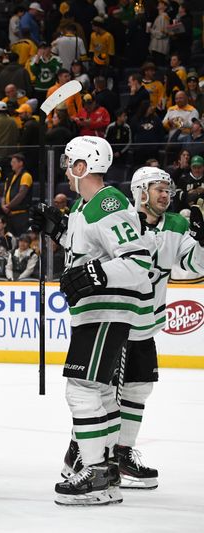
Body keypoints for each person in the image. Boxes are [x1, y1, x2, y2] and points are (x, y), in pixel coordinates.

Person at [30, 136, 152, 506]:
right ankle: (107, 469)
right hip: (97, 311)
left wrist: (93, 274)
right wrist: (57, 229)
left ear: (83, 166)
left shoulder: (108, 202)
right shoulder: (86, 208)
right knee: (98, 392)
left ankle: (96, 471)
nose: (66, 169)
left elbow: (138, 260)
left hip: (106, 309)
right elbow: (86, 246)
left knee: (80, 390)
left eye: (70, 163)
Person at [69, 167, 201, 489]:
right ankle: (81, 454)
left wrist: (202, 240)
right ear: (141, 191)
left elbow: (196, 265)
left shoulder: (176, 225)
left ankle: (122, 456)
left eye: (167, 189)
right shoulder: (123, 217)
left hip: (145, 324)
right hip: (117, 318)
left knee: (137, 389)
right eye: (158, 189)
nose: (165, 195)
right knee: (98, 390)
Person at [2, 153, 32, 235]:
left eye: (14, 162)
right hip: (9, 214)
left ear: (20, 163)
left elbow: (21, 194)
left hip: (21, 215)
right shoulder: (10, 177)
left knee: (22, 237)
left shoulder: (26, 176)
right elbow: (4, 193)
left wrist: (8, 206)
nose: (11, 164)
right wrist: (3, 205)